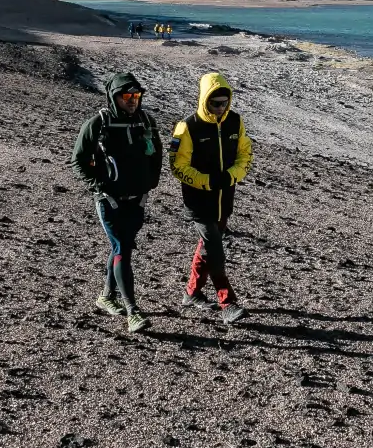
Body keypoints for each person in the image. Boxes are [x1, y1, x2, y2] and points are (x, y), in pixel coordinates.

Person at [70, 72, 162, 332]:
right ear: (114, 97)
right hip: (109, 201)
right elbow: (78, 160)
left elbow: (157, 155)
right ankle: (132, 311)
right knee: (122, 247)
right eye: (126, 96)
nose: (132, 100)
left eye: (136, 95)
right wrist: (97, 186)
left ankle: (106, 297)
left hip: (137, 200)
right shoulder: (97, 124)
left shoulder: (146, 121)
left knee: (121, 248)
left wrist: (150, 184)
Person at [169, 71, 253, 323]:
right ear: (204, 100)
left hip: (224, 200)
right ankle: (227, 302)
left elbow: (245, 154)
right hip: (198, 202)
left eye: (224, 102)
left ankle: (191, 293)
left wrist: (231, 176)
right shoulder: (188, 127)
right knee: (215, 250)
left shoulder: (235, 122)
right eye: (215, 103)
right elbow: (177, 166)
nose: (220, 108)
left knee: (206, 248)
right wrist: (206, 182)